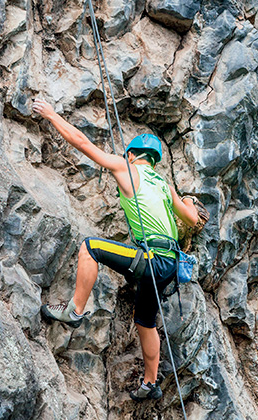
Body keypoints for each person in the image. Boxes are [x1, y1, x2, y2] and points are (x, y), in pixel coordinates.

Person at [32, 99, 199, 402]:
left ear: (132, 155)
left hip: (150, 259)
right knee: (145, 322)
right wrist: (187, 200)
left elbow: (83, 143)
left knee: (90, 247)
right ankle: (150, 383)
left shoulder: (127, 167)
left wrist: (52, 115)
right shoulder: (163, 184)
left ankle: (75, 310)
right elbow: (192, 218)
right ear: (154, 159)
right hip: (170, 265)